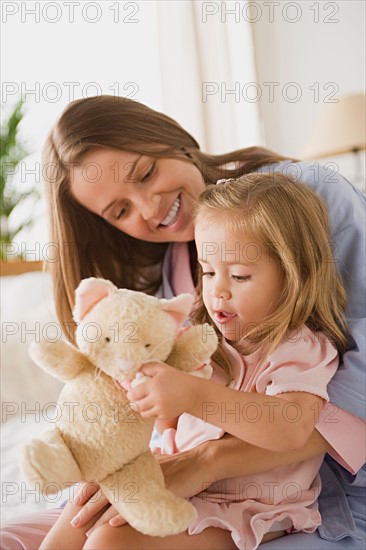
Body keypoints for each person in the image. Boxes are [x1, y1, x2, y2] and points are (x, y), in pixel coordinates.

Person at [0, 95, 364, 549]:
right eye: (120, 211)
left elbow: (306, 416)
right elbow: (162, 418)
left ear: (169, 138)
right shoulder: (166, 289)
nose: (148, 210)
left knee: (108, 542)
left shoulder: (306, 208)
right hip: (182, 479)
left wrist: (204, 454)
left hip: (280, 499)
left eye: (146, 173)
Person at [123, 172, 348, 549]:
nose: (216, 290)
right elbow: (173, 427)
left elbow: (290, 428)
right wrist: (154, 390)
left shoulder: (300, 347)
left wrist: (192, 395)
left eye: (240, 276)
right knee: (66, 523)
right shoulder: (207, 344)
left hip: (245, 510)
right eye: (208, 271)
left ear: (294, 276)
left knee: (110, 542)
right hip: (185, 486)